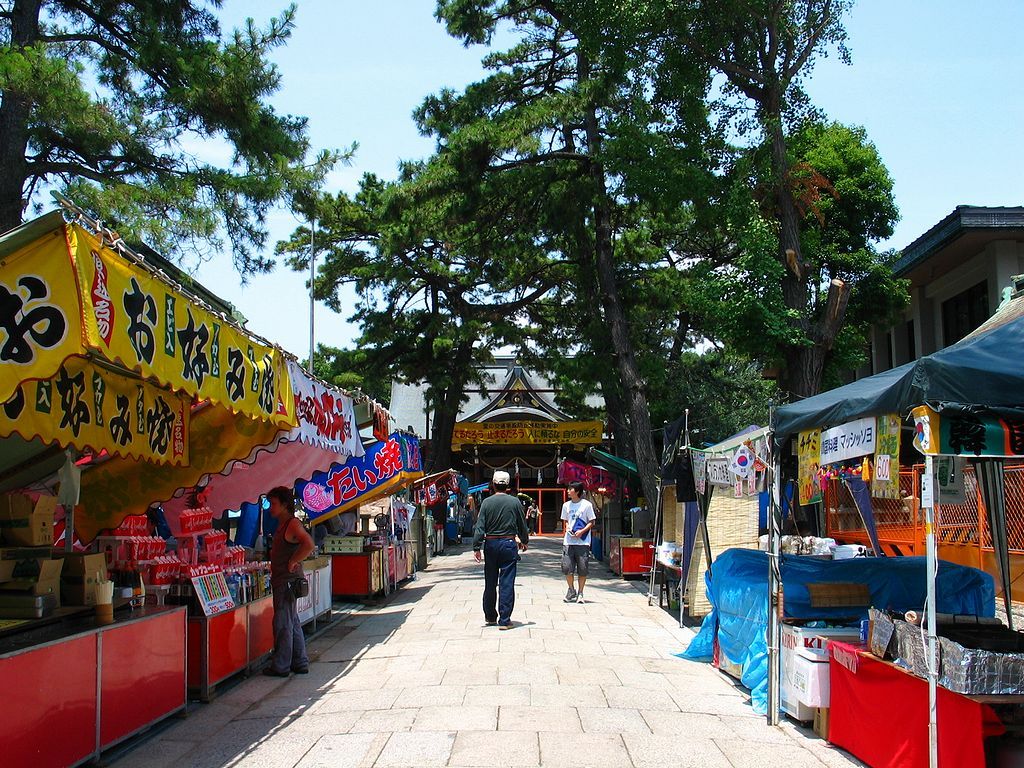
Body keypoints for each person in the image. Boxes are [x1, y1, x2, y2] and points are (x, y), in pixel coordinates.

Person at [264, 486, 314, 677]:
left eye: (274, 504)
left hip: (287, 582)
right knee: (292, 621)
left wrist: (294, 560)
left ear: (285, 505)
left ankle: (281, 665)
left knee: (283, 622)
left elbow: (308, 544)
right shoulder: (284, 524)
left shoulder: (292, 524)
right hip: (285, 581)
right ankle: (299, 662)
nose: (270, 508)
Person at [472, 470, 529, 629]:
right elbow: (522, 524)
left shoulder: (486, 503)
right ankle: (504, 620)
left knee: (490, 581)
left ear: (493, 484)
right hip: (508, 543)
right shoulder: (515, 502)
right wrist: (524, 540)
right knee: (506, 582)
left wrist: (477, 546)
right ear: (508, 485)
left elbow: (480, 526)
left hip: (490, 544)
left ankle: (490, 615)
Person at [560, 480, 596, 603]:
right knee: (567, 568)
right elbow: (565, 520)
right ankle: (571, 589)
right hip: (569, 541)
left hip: (583, 541)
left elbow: (591, 521)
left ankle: (580, 592)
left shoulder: (587, 505)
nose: (568, 491)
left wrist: (582, 531)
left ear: (578, 491)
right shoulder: (566, 505)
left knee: (582, 568)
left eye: (571, 489)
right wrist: (568, 528)